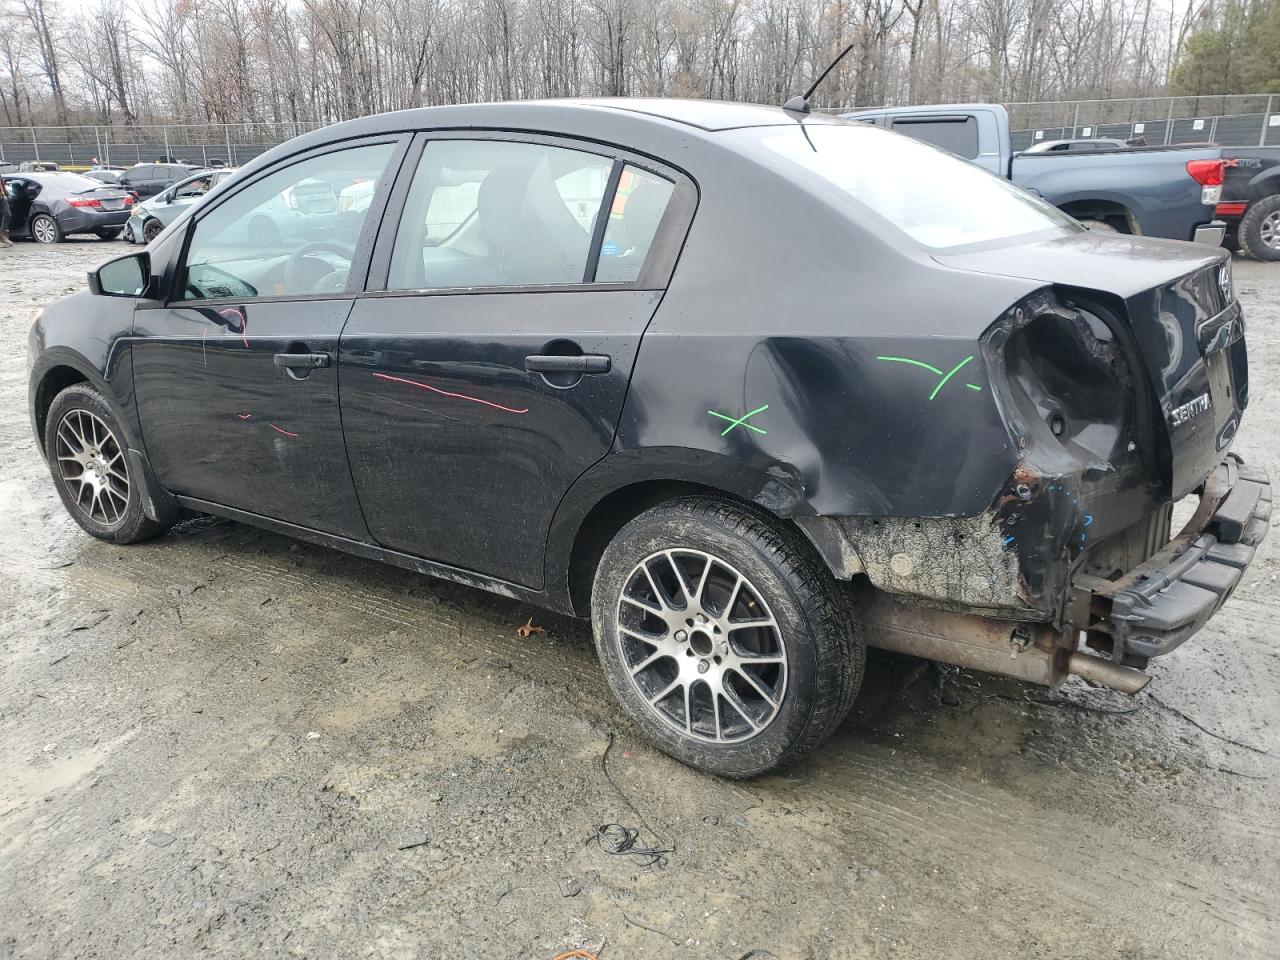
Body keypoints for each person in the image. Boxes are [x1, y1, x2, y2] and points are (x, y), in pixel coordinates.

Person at [0, 169, 12, 247]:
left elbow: (2, 185)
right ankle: (1, 240)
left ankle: (3, 234)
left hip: (2, 197)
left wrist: (7, 195)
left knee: (8, 215)